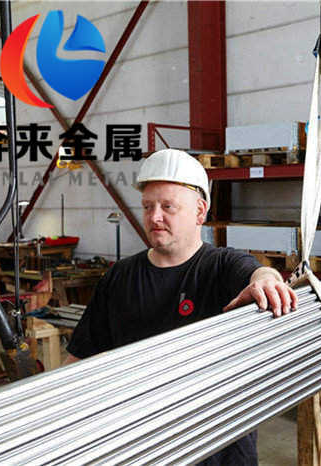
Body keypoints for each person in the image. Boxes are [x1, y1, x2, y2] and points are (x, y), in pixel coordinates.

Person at [64, 148, 298, 465]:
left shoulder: (222, 267)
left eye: (167, 207)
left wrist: (268, 281)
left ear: (200, 211)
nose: (154, 217)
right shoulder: (119, 277)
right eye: (148, 206)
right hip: (143, 446)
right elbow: (79, 359)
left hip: (219, 451)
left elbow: (258, 274)